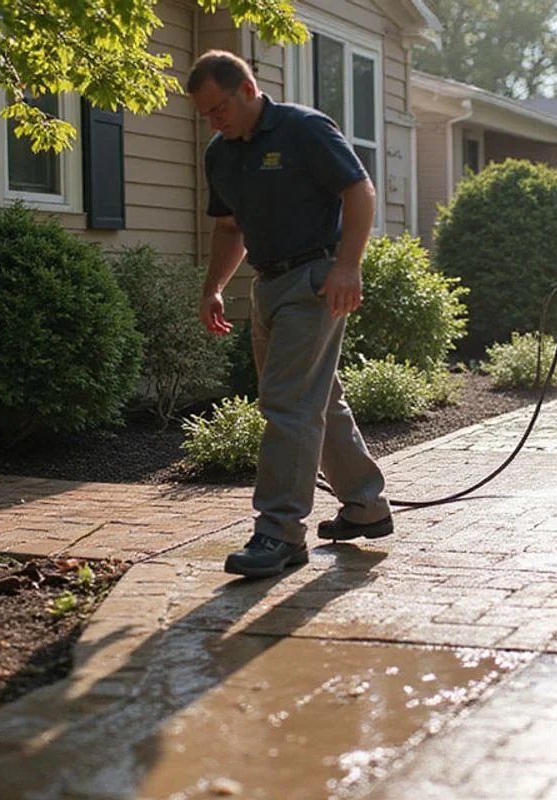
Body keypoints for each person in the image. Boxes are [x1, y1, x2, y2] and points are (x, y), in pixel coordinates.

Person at [188, 50, 392, 577]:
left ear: (248, 90)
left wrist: (349, 266)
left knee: (287, 404)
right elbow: (229, 227)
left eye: (219, 109)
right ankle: (366, 507)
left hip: (316, 280)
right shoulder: (221, 153)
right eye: (206, 114)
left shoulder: (303, 129)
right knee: (315, 398)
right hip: (267, 283)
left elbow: (359, 190)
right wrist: (214, 287)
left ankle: (279, 533)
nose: (214, 121)